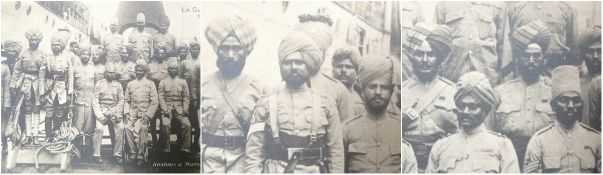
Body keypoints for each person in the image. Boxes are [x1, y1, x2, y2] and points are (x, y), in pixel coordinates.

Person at [245, 31, 344, 173]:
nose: (294, 67)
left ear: (309, 65)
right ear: (280, 65)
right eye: (288, 62)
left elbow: (336, 153)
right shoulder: (265, 103)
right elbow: (254, 152)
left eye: (299, 62)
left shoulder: (326, 104)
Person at [201, 15, 264, 173]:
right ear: (217, 50)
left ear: (245, 51)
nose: (230, 54)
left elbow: (260, 139)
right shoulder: (203, 85)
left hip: (242, 162)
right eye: (224, 48)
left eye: (236, 48)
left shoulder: (258, 89)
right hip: (208, 162)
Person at [491, 21, 556, 169]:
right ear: (517, 59)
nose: (531, 61)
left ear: (543, 59)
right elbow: (490, 134)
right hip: (508, 159)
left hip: (546, 161)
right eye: (526, 56)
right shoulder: (500, 92)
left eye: (536, 56)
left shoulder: (553, 92)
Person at [426, 72, 520, 173]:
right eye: (461, 106)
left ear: (485, 110)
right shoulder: (441, 146)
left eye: (473, 107)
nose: (466, 112)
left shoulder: (502, 146)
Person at [523, 65, 601, 173]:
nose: (570, 106)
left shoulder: (596, 140)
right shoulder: (539, 141)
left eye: (576, 100)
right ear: (553, 105)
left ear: (581, 105)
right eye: (564, 100)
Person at [402, 23, 457, 172]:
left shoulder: (453, 92)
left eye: (431, 54)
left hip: (444, 165)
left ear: (439, 58)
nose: (425, 59)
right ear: (413, 57)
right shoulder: (400, 92)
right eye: (419, 54)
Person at [343, 56, 401, 173]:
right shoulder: (346, 129)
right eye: (372, 86)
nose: (378, 92)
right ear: (362, 91)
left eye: (384, 87)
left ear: (391, 92)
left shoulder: (400, 128)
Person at [294, 14, 353, 122]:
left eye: (317, 51)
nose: (311, 56)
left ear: (324, 56)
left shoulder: (339, 91)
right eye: (305, 51)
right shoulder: (282, 86)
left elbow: (347, 134)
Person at [435, 1, 507, 85]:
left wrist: (501, 83)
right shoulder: (444, 4)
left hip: (487, 80)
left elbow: (504, 49)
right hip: (452, 78)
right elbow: (436, 45)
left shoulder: (498, 4)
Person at [507, 2, 578, 72]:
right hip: (525, 71)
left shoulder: (565, 9)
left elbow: (574, 48)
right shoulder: (516, 9)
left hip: (554, 69)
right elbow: (509, 48)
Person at [10, 29, 45, 144]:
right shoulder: (23, 53)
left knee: (36, 108)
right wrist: (13, 84)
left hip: (38, 83)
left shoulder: (42, 53)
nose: (33, 42)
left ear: (38, 41)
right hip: (26, 83)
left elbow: (45, 72)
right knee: (27, 109)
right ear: (29, 40)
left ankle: (35, 136)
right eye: (32, 40)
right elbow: (17, 70)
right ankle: (28, 135)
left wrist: (43, 88)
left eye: (35, 40)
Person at [40, 34, 74, 142]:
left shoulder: (66, 59)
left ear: (62, 47)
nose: (55, 47)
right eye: (53, 45)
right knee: (49, 112)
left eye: (58, 45)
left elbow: (70, 76)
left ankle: (56, 134)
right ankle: (48, 136)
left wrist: (70, 91)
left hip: (62, 89)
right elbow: (41, 76)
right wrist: (41, 92)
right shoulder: (47, 58)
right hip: (49, 89)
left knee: (59, 112)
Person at [124, 59, 159, 166]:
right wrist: (126, 113)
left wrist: (148, 116)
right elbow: (127, 100)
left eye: (140, 70)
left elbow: (154, 102)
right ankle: (133, 152)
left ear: (144, 71)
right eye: (137, 70)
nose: (138, 72)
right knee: (127, 127)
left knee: (143, 129)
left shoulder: (150, 84)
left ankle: (141, 154)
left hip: (145, 113)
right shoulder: (131, 84)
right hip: (133, 113)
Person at [92, 64, 125, 164]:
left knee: (121, 128)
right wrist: (100, 116)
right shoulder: (99, 84)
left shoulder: (118, 85)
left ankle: (117, 154)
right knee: (99, 128)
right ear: (105, 73)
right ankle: (96, 154)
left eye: (113, 73)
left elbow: (121, 100)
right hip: (102, 111)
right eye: (109, 72)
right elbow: (95, 100)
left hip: (114, 111)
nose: (112, 74)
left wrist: (117, 114)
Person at [158, 59, 191, 155]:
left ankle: (185, 148)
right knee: (165, 124)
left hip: (180, 109)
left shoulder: (183, 82)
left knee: (187, 125)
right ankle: (166, 148)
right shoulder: (163, 82)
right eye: (171, 69)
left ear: (177, 70)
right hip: (167, 109)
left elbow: (186, 96)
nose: (173, 70)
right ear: (168, 70)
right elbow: (161, 97)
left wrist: (185, 109)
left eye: (175, 69)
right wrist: (164, 110)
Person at [72, 42, 96, 159]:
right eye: (83, 54)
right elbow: (71, 86)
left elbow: (97, 87)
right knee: (78, 127)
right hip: (78, 102)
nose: (85, 56)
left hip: (90, 103)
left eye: (87, 54)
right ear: (80, 55)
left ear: (90, 55)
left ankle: (88, 149)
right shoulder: (75, 69)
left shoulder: (93, 69)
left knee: (90, 127)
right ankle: (78, 149)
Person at [576, 27, 601, 129]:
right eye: (590, 51)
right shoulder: (576, 80)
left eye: (600, 50)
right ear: (582, 54)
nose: (595, 56)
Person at [178, 39, 200, 151]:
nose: (195, 50)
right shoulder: (184, 63)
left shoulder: (202, 63)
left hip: (198, 98)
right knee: (188, 121)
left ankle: (196, 143)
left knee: (198, 123)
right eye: (193, 48)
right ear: (190, 50)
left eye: (197, 48)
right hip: (187, 98)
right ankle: (186, 143)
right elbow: (179, 80)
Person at [331, 46, 363, 116]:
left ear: (357, 72)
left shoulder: (363, 99)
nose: (343, 70)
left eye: (349, 67)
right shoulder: (326, 96)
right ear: (333, 71)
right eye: (339, 66)